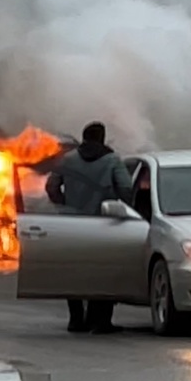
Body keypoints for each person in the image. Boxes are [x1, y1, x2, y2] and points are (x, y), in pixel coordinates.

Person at [46, 121, 133, 335]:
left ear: (83, 137)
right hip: (104, 223)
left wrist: (63, 204)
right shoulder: (112, 160)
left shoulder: (68, 159)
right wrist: (123, 208)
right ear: (102, 138)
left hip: (73, 223)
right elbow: (126, 188)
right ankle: (100, 321)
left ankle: (76, 320)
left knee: (74, 271)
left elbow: (51, 186)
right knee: (104, 272)